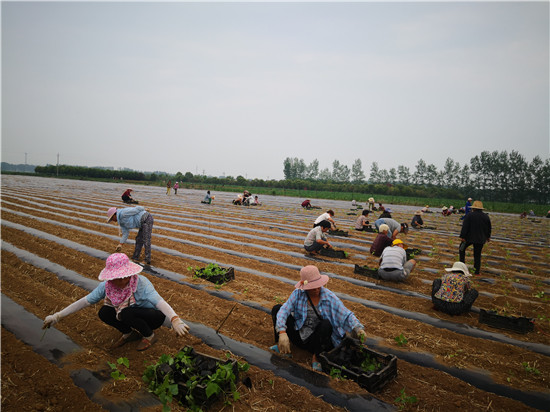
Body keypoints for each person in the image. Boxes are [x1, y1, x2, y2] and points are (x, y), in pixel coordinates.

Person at [42, 253, 189, 351]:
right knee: (104, 312)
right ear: (111, 278)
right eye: (118, 278)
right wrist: (57, 316)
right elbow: (85, 301)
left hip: (153, 316)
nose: (124, 280)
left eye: (126, 276)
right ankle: (128, 333)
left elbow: (159, 302)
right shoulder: (106, 287)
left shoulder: (140, 283)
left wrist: (175, 319)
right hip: (130, 314)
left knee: (126, 312)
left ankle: (149, 335)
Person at [270, 265, 367, 371]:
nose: (316, 289)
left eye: (318, 285)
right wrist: (282, 332)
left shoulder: (329, 298)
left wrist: (358, 328)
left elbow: (346, 315)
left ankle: (317, 357)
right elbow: (284, 310)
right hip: (300, 334)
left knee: (326, 324)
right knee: (277, 308)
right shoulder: (298, 294)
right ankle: (282, 346)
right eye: (313, 287)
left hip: (318, 341)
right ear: (305, 286)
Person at [459, 200, 491, 275]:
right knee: (477, 255)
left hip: (469, 238)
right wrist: (488, 236)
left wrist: (463, 236)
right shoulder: (486, 216)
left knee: (461, 249)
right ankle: (476, 271)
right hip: (480, 239)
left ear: (474, 208)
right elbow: (489, 228)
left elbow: (465, 227)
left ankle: (462, 267)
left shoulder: (469, 215)